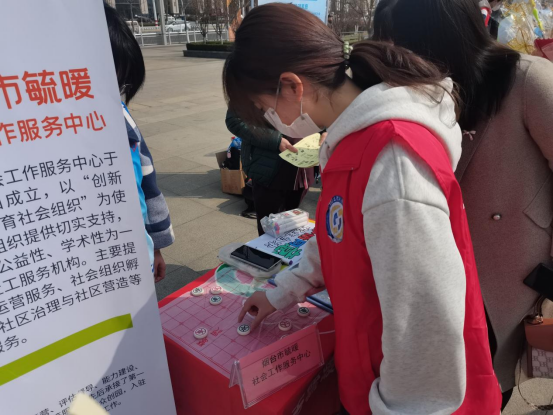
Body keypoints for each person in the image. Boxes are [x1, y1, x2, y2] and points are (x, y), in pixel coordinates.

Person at [226, 4, 501, 414]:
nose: (269, 123)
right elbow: (336, 235)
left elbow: (425, 324)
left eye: (263, 110)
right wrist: (281, 292)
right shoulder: (350, 141)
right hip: (372, 379)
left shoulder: (392, 161)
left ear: (292, 86)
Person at [373, 0, 553, 409]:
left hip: (511, 274)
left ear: (437, 39)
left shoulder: (528, 80)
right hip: (439, 271)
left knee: (490, 377)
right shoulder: (418, 92)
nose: (392, 58)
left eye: (398, 44)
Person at [105, 3, 175, 282]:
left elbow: (147, 183)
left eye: (120, 86)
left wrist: (155, 246)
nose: (116, 96)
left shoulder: (122, 118)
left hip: (132, 253)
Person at [225, 110, 313, 235]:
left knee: (294, 227)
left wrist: (325, 132)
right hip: (270, 169)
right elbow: (235, 121)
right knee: (270, 230)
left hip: (303, 169)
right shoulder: (252, 95)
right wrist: (275, 140)